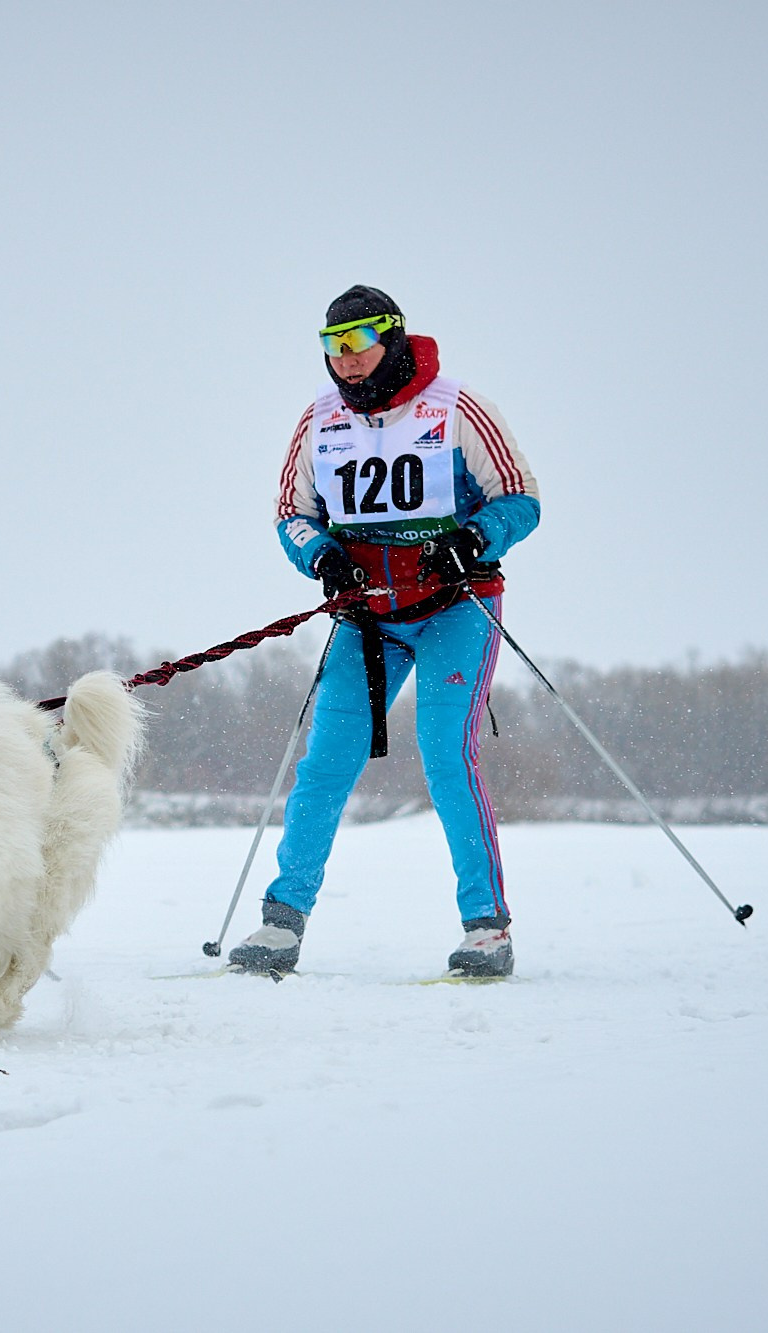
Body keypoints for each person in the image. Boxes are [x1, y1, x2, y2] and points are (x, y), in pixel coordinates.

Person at [229, 285, 540, 978]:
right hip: (367, 617)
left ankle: (487, 928)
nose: (345, 358)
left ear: (391, 337)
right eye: (332, 345)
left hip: (456, 607)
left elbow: (521, 498)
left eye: (359, 341)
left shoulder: (456, 408)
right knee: (324, 765)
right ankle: (281, 922)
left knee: (447, 756)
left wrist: (473, 538)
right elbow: (292, 512)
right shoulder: (320, 419)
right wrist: (321, 555)